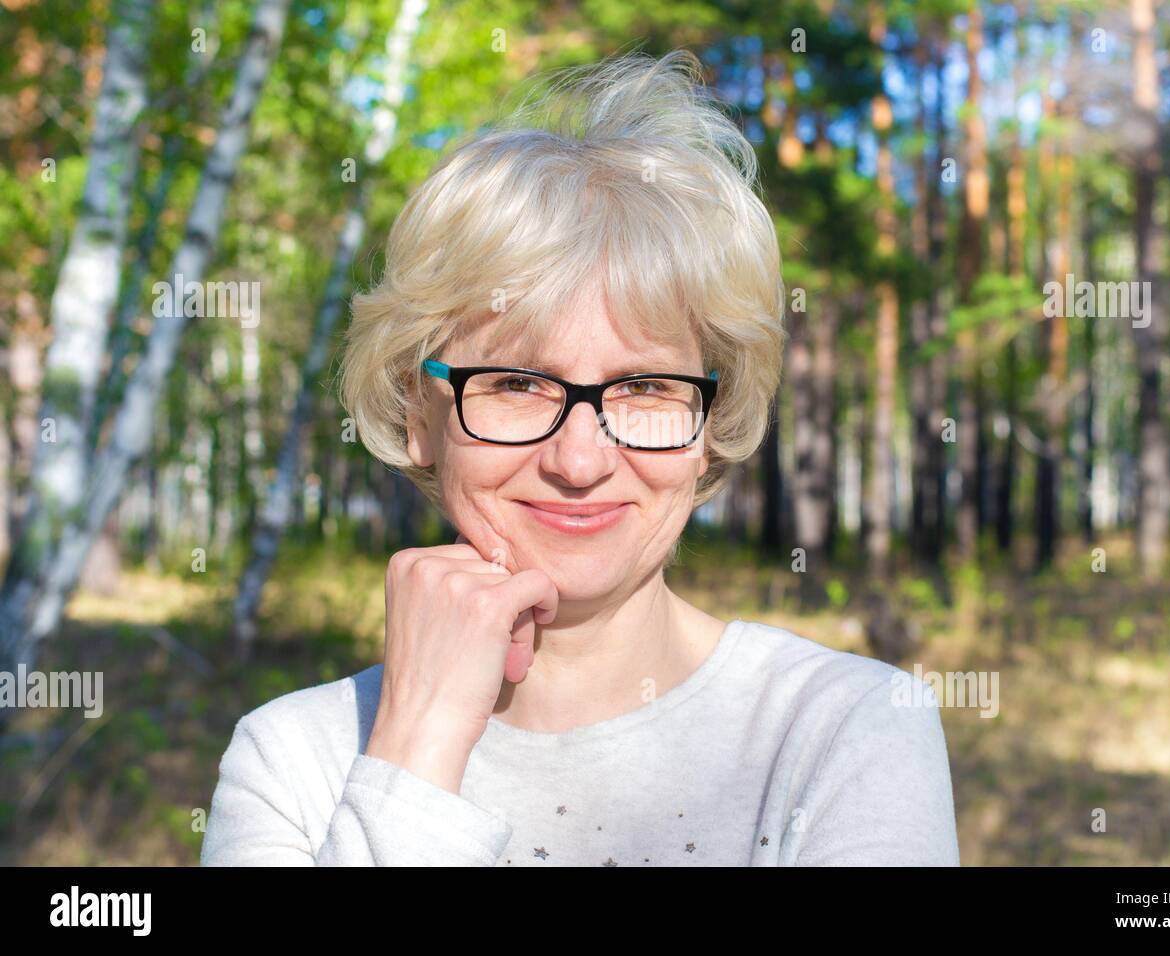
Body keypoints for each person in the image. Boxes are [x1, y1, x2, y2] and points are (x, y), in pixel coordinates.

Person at [200, 49, 959, 867]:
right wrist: (414, 753)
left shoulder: (848, 730)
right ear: (416, 411)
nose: (579, 457)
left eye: (642, 387)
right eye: (519, 383)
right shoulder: (294, 764)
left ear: (710, 425)